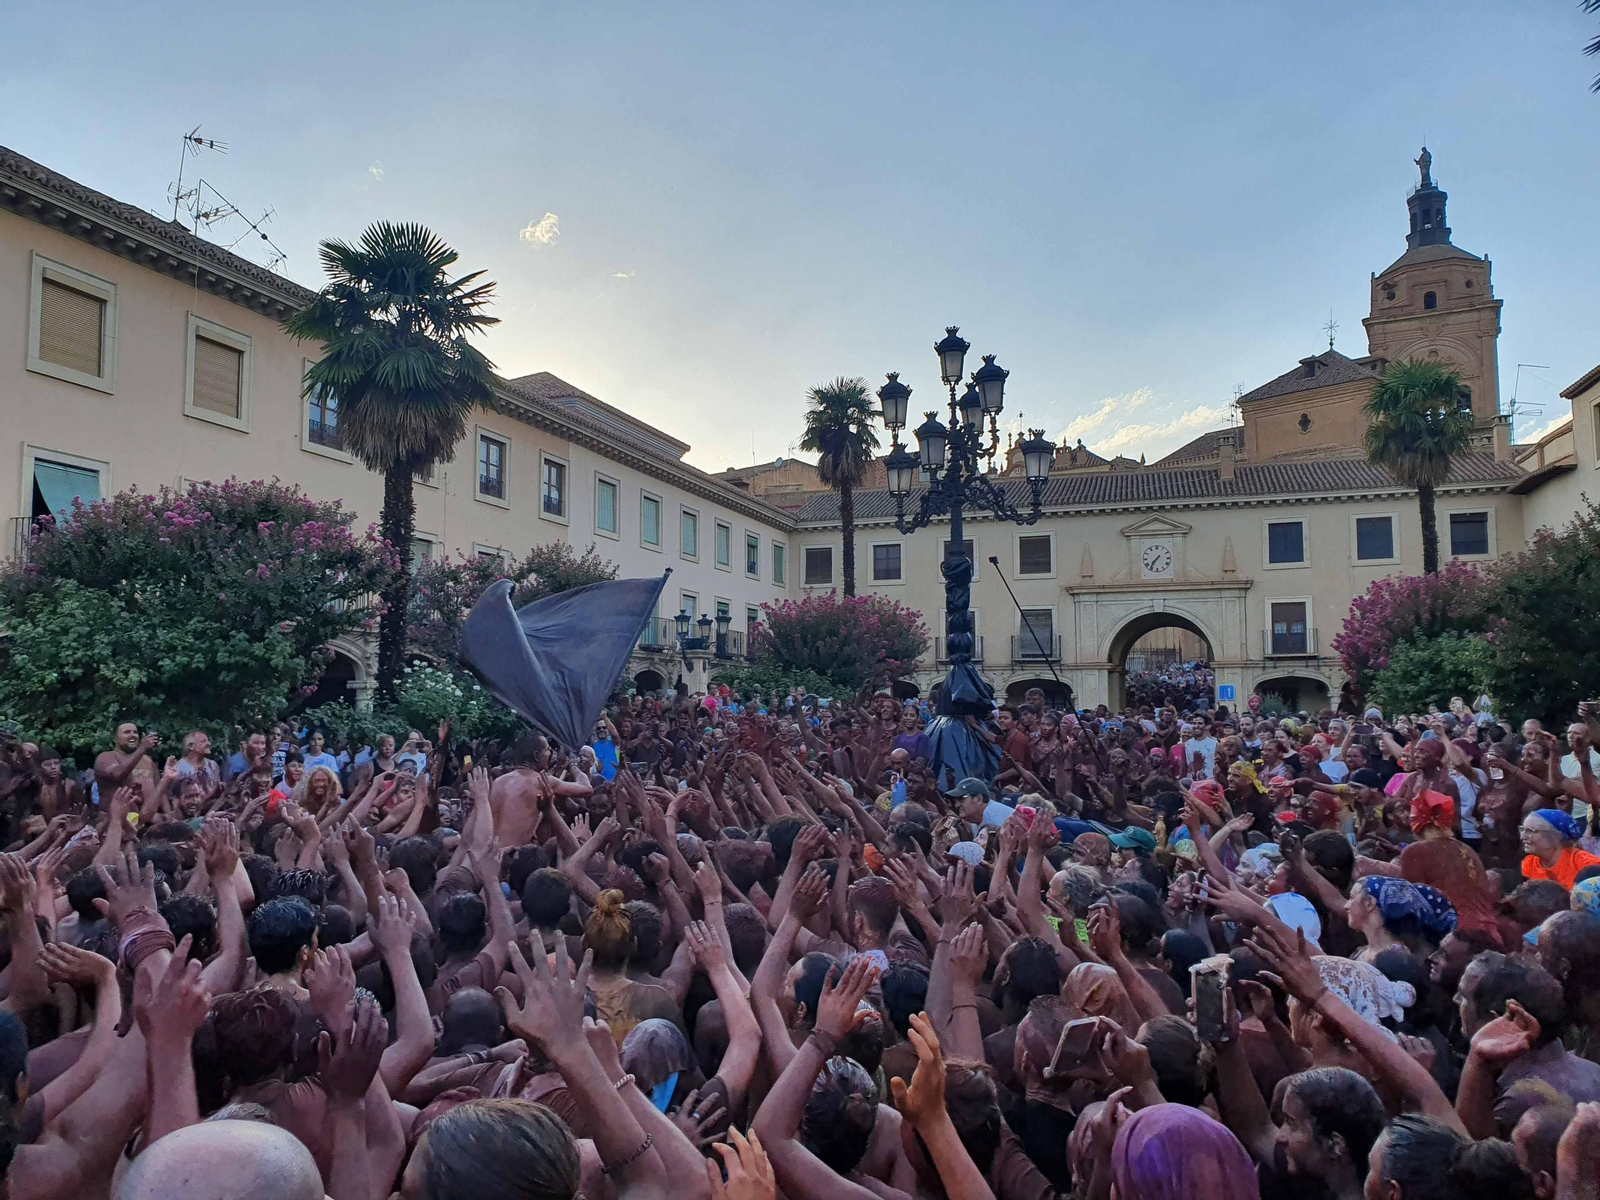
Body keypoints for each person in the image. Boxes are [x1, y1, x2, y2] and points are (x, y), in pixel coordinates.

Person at [1520, 810, 1600, 890]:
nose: (1522, 836)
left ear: (1556, 836)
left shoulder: (1588, 865)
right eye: (1522, 829)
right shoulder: (1530, 863)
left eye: (1530, 831)